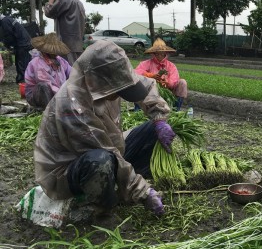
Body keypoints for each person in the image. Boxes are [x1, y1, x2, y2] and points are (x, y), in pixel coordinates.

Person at [34, 40, 176, 218]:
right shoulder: (71, 106)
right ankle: (101, 205)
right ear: (98, 82)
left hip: (110, 148)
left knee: (152, 130)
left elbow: (145, 86)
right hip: (71, 168)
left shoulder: (107, 78)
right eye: (117, 89)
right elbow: (103, 150)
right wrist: (144, 193)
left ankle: (124, 183)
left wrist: (159, 118)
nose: (120, 95)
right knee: (100, 162)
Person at [134, 38, 188, 111]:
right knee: (137, 82)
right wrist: (150, 76)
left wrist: (167, 83)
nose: (159, 55)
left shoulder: (171, 66)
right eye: (157, 53)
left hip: (167, 93)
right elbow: (136, 73)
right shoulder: (146, 63)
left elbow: (174, 80)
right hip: (149, 93)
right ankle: (139, 110)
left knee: (182, 82)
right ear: (153, 54)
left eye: (162, 53)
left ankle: (175, 110)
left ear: (165, 53)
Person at [43, 0, 86, 65]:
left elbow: (49, 12)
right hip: (77, 43)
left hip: (66, 43)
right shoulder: (78, 2)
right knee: (76, 70)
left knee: (67, 71)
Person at [24, 33, 72, 110]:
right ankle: (48, 110)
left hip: (57, 93)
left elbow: (71, 73)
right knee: (43, 86)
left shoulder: (60, 60)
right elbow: (47, 83)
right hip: (37, 95)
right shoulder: (37, 63)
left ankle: (57, 106)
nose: (56, 54)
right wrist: (63, 96)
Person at [0, 14, 33, 83]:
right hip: (25, 41)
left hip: (22, 43)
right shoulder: (8, 19)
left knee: (21, 61)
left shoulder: (5, 21)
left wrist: (8, 46)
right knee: (22, 60)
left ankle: (22, 80)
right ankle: (23, 79)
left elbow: (8, 35)